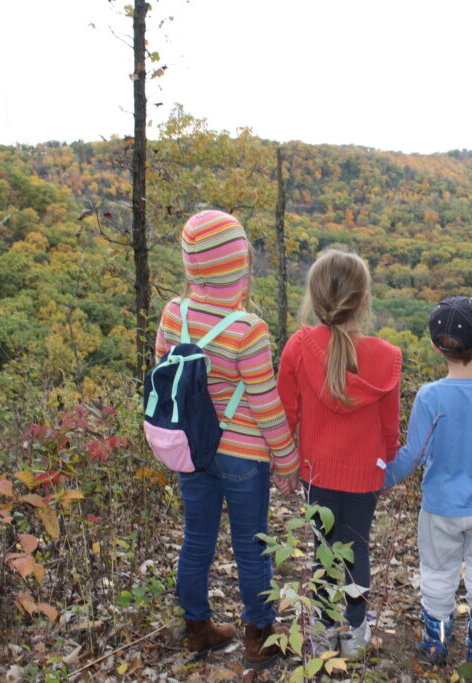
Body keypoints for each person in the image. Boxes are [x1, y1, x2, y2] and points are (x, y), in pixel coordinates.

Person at [154, 210, 299, 670]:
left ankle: (198, 629)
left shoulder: (172, 314)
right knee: (252, 544)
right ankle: (259, 636)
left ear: (192, 265)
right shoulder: (248, 329)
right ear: (238, 264)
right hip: (243, 456)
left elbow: (165, 378)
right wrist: (288, 460)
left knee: (196, 538)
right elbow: (265, 405)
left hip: (191, 450)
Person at [385, 296, 472, 663]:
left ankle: (436, 645)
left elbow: (412, 457)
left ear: (436, 346)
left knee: (437, 574)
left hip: (440, 509)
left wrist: (380, 478)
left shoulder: (430, 396)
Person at [276, 248, 402, 657]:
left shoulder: (298, 348)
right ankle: (356, 630)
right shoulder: (386, 357)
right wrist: (386, 464)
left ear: (315, 300)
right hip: (364, 474)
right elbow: (389, 428)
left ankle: (325, 627)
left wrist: (286, 466)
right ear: (364, 300)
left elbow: (286, 414)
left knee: (323, 548)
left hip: (317, 472)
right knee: (356, 546)